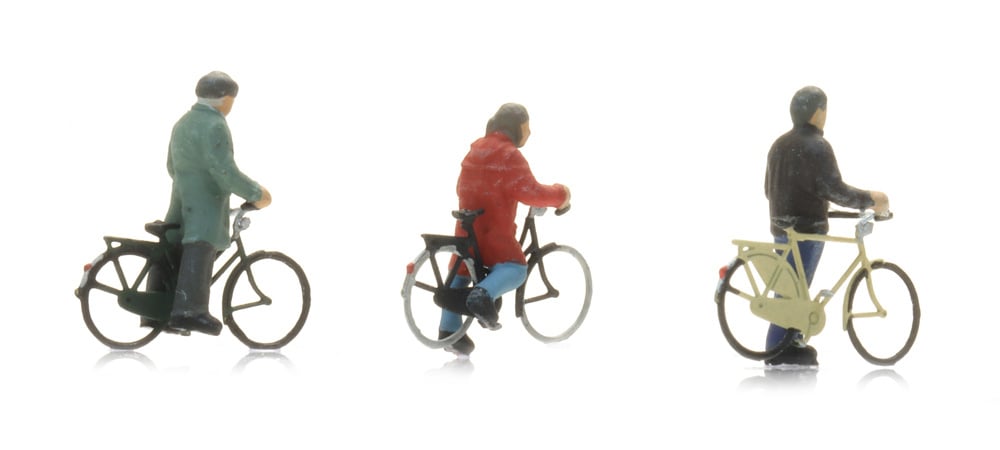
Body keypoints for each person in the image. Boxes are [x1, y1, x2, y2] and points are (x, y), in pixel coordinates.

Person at [763, 86, 889, 366]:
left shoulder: (778, 145)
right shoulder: (818, 146)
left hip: (781, 230)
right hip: (807, 231)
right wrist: (871, 199)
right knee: (795, 292)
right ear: (818, 113)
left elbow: (768, 190)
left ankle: (783, 344)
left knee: (788, 290)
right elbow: (835, 190)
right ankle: (781, 349)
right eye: (825, 110)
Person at [438, 103, 571, 357]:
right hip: (494, 234)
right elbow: (532, 192)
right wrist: (561, 194)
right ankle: (483, 295)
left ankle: (448, 330)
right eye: (527, 127)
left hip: (467, 229)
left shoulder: (475, 148)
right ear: (516, 127)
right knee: (516, 269)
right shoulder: (510, 155)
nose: (529, 133)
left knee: (461, 269)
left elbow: (460, 186)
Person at [159, 71, 272, 336]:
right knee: (201, 245)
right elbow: (225, 171)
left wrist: (188, 182)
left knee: (171, 248)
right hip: (205, 203)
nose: (232, 104)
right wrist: (256, 193)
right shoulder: (214, 125)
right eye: (231, 99)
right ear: (224, 98)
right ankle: (190, 312)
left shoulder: (183, 122)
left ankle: (157, 314)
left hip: (181, 197)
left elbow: (171, 166)